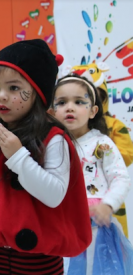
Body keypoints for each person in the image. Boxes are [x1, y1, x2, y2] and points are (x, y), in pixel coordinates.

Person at [0, 39, 92, 274]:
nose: (1, 97)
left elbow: (53, 196)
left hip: (38, 259)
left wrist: (18, 156)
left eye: (14, 88)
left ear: (37, 92)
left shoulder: (53, 137)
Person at [51, 74, 133, 274]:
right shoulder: (52, 144)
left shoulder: (101, 143)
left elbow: (120, 177)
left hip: (96, 228)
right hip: (60, 225)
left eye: (79, 102)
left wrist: (108, 204)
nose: (69, 107)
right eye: (62, 102)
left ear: (93, 111)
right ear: (52, 112)